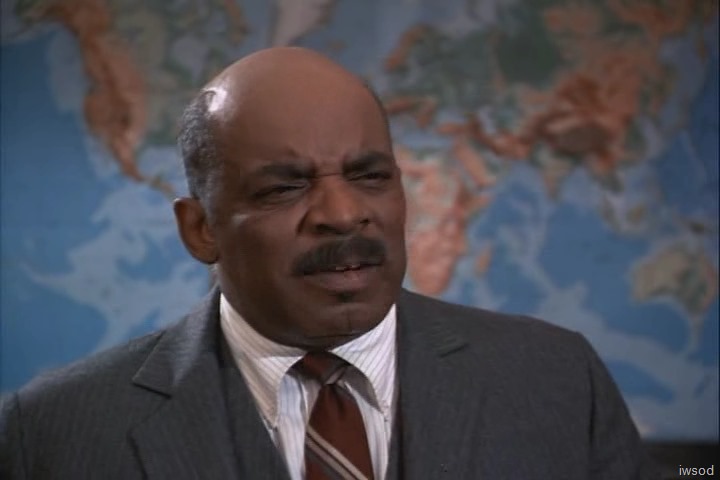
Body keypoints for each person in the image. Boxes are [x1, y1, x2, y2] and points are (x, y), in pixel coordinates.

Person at [0, 47, 658, 479]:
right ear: (200, 230)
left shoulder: (558, 381)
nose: (344, 215)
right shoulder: (53, 434)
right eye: (284, 188)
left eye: (370, 176)